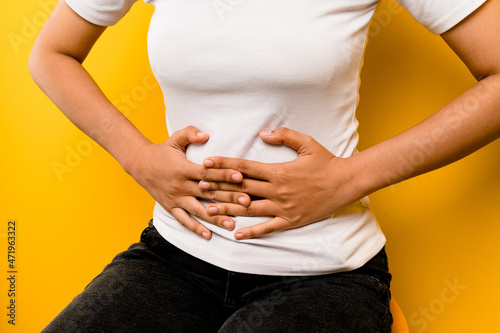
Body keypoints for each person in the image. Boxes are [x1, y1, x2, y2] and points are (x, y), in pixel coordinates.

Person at [29, 0, 499, 332]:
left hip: (322, 273)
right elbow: (51, 54)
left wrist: (350, 177)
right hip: (177, 256)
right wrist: (137, 157)